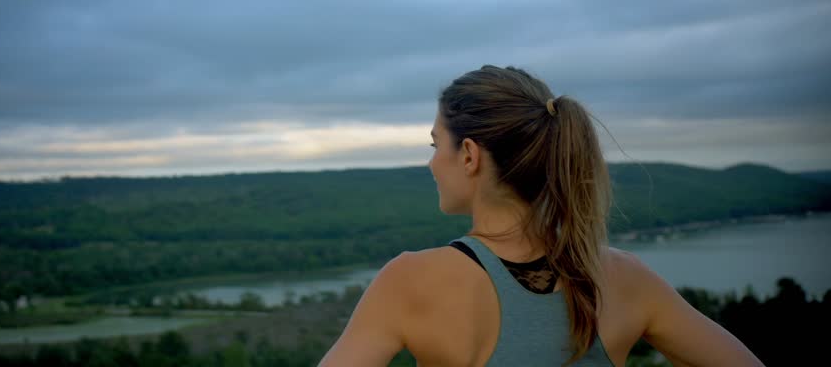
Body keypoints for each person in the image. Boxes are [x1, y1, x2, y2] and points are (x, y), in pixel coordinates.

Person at [318, 65, 763, 367]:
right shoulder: (622, 278)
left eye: (436, 145)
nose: (432, 163)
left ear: (469, 155)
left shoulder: (410, 280)